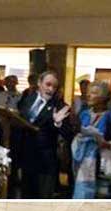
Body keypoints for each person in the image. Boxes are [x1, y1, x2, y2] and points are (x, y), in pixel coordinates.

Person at [18, 70, 73, 198]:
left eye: (54, 86)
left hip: (45, 163)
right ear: (39, 83)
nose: (50, 89)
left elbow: (67, 133)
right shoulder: (27, 98)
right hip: (25, 158)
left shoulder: (60, 107)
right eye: (48, 84)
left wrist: (57, 124)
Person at [72, 81, 111, 199]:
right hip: (82, 161)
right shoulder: (84, 113)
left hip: (103, 162)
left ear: (104, 97)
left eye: (93, 93)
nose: (89, 95)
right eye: (88, 93)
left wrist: (110, 144)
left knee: (101, 194)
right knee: (82, 192)